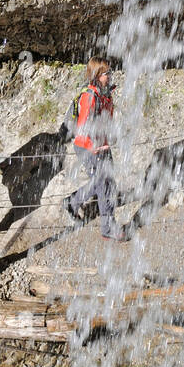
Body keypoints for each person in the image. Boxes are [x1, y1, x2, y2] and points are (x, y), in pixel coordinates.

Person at [64, 58, 126, 241]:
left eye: (109, 72)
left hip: (101, 145)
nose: (110, 75)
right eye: (106, 73)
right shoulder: (90, 96)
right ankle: (108, 227)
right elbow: (83, 126)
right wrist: (95, 147)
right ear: (97, 75)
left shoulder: (106, 93)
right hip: (87, 147)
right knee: (104, 185)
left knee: (107, 182)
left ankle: (72, 202)